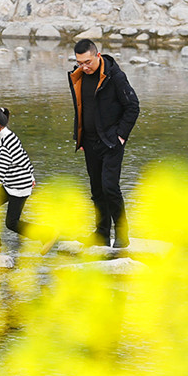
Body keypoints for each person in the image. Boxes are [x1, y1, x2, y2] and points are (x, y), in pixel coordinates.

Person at [68, 39, 140, 248]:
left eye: (88, 62)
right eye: (80, 62)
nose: (84, 66)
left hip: (111, 142)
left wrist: (120, 136)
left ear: (97, 56)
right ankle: (101, 233)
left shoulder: (115, 76)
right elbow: (80, 107)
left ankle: (122, 234)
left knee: (110, 187)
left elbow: (133, 107)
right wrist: (79, 136)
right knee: (96, 189)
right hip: (89, 141)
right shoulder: (79, 75)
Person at [0, 107, 59, 255]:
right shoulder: (10, 137)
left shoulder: (7, 142)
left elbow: (0, 169)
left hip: (18, 187)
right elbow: (23, 156)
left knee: (12, 223)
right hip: (14, 184)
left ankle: (47, 234)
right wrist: (31, 175)